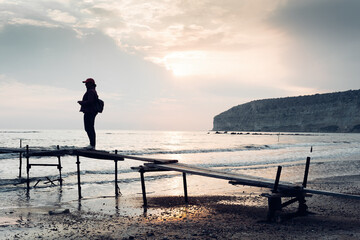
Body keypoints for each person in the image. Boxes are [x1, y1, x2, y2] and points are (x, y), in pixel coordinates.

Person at [78, 78, 99, 149]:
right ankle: (92, 145)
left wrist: (81, 102)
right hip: (90, 112)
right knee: (89, 128)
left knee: (89, 128)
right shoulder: (92, 91)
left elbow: (90, 102)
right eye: (85, 83)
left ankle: (92, 145)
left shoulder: (91, 91)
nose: (85, 85)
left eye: (87, 83)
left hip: (90, 112)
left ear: (90, 84)